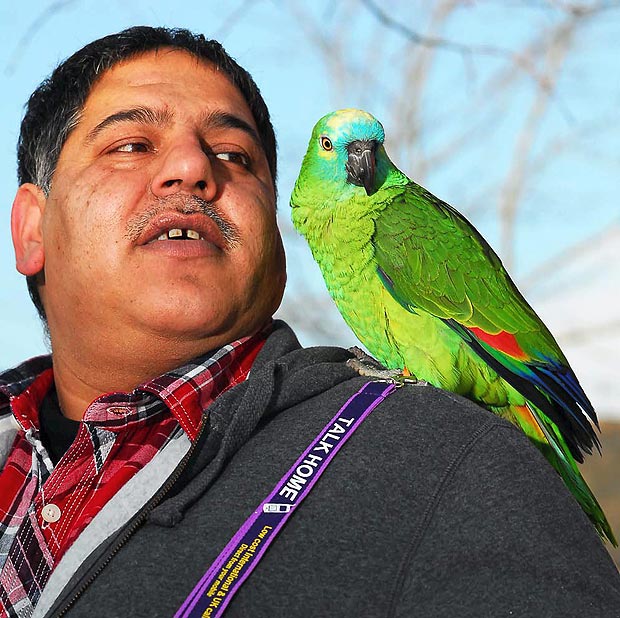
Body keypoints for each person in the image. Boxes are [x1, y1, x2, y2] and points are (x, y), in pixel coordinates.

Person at [1, 26, 619, 618]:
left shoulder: (436, 459)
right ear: (30, 228)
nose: (193, 169)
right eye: (133, 145)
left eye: (232, 154)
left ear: (268, 224)